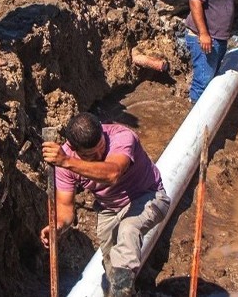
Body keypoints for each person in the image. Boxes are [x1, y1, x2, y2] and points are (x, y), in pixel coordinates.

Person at [41, 113, 170, 297]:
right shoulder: (65, 163)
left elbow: (113, 173)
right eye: (90, 155)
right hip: (109, 209)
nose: (99, 155)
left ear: (103, 132)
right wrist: (58, 227)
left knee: (128, 229)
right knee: (111, 267)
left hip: (148, 197)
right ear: (73, 148)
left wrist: (68, 162)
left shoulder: (122, 136)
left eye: (100, 148)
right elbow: (65, 210)